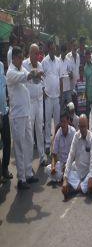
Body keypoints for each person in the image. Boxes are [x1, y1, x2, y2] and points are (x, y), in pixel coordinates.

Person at [6, 46, 39, 189]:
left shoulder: (21, 69)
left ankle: (28, 173)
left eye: (21, 58)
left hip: (26, 113)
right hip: (17, 115)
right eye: (19, 58)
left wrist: (38, 74)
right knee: (19, 146)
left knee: (29, 143)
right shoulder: (11, 72)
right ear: (14, 58)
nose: (21, 60)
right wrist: (33, 74)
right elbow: (24, 77)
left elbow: (31, 78)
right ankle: (21, 179)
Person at [62, 115, 92, 199]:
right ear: (78, 126)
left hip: (88, 172)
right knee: (66, 174)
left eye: (85, 126)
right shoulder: (76, 136)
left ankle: (74, 189)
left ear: (88, 125)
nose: (83, 129)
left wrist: (90, 176)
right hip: (77, 171)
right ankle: (81, 188)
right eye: (81, 126)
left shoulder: (91, 137)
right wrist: (65, 179)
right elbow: (70, 156)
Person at [22, 43, 46, 166]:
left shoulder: (40, 64)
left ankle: (42, 156)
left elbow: (41, 82)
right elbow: (28, 78)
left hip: (39, 100)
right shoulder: (24, 64)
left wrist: (43, 90)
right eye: (35, 53)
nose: (37, 56)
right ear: (30, 53)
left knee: (39, 129)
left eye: (38, 53)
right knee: (29, 132)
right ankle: (29, 162)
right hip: (29, 102)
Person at [42, 41, 61, 154]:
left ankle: (57, 142)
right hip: (48, 96)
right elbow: (42, 77)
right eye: (52, 48)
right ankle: (48, 144)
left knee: (58, 121)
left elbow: (59, 78)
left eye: (55, 48)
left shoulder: (58, 61)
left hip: (57, 95)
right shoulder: (45, 61)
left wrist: (61, 93)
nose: (53, 50)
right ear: (49, 49)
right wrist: (43, 90)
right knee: (48, 120)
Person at [45, 113, 76, 182]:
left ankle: (62, 177)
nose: (63, 124)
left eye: (64, 121)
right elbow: (54, 154)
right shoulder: (58, 133)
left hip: (71, 162)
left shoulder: (73, 132)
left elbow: (75, 153)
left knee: (75, 168)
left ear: (68, 122)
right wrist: (53, 166)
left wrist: (67, 165)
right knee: (47, 169)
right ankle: (66, 178)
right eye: (61, 121)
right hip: (61, 163)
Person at [0, 59, 12, 181]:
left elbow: (4, 87)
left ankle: (5, 169)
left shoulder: (1, 65)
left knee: (7, 142)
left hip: (4, 112)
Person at [84, 47, 92, 122]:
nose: (88, 57)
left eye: (89, 56)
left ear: (90, 56)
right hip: (86, 93)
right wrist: (84, 94)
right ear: (85, 57)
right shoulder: (84, 68)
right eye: (86, 56)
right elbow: (83, 83)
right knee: (87, 112)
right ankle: (87, 127)